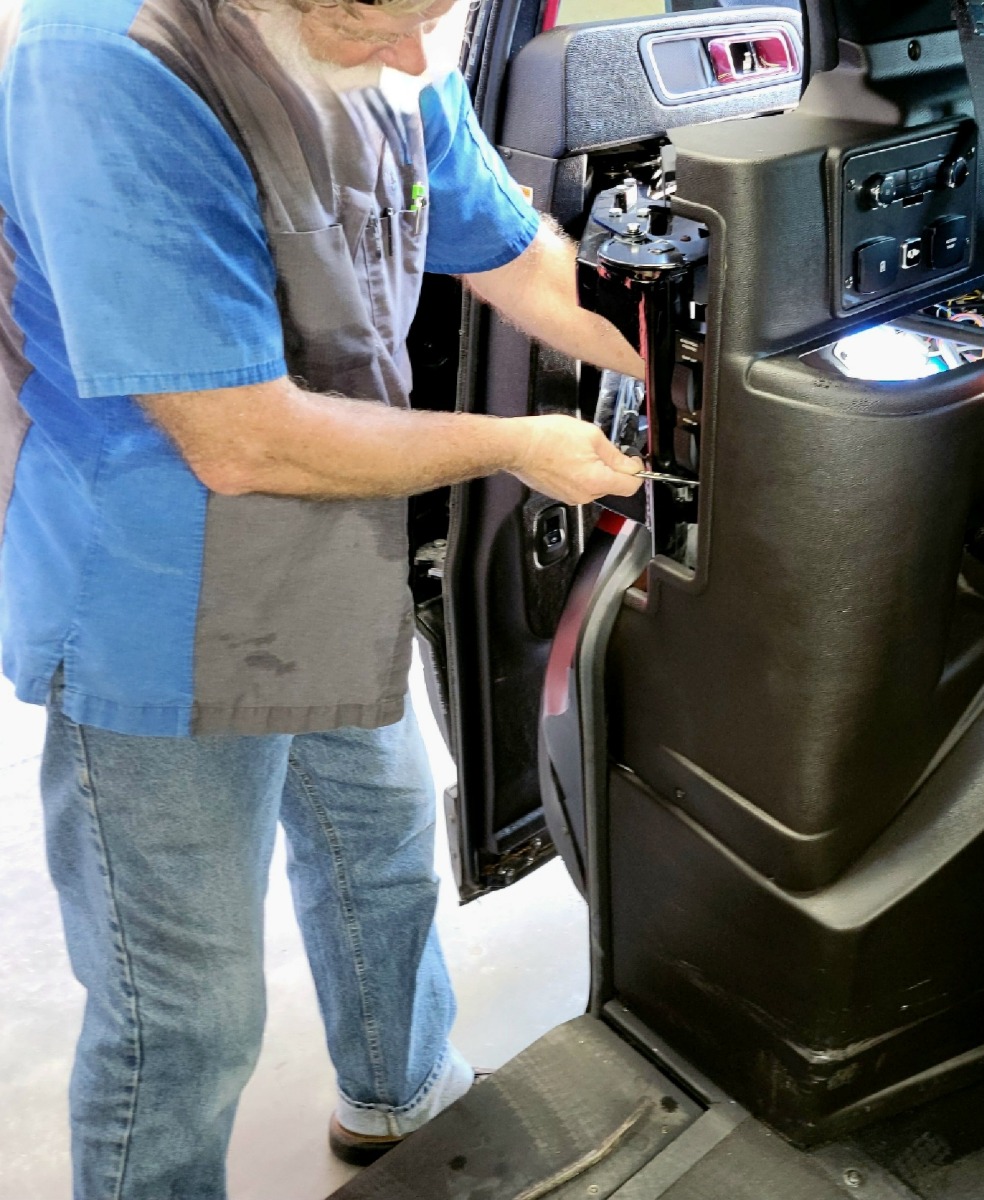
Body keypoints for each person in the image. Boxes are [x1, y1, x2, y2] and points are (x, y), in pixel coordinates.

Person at [0, 0, 645, 1195]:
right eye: (369, 26)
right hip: (159, 592)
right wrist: (517, 442)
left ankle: (397, 1100)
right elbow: (240, 442)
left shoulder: (401, 45)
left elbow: (513, 255)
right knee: (184, 1001)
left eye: (432, 18)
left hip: (329, 553)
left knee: (381, 846)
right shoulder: (108, 67)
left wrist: (666, 353)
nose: (413, 56)